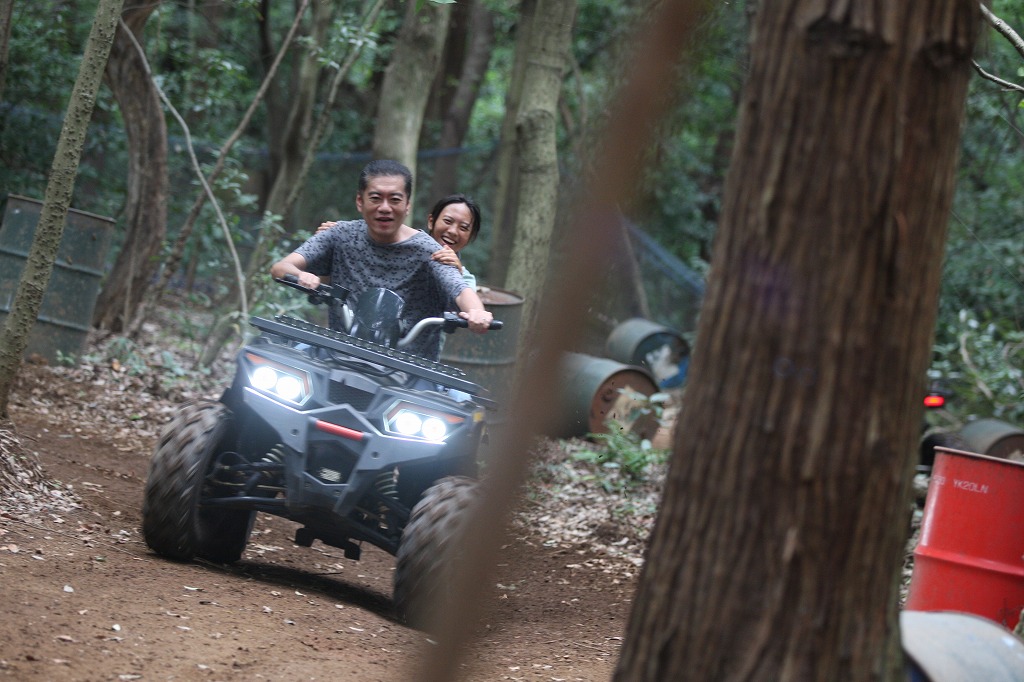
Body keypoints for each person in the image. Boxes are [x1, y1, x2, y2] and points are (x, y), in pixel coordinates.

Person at [270, 159, 493, 362]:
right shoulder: (340, 234)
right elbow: (281, 267)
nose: (385, 208)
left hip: (409, 371)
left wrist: (477, 312)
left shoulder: (431, 251)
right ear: (360, 201)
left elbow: (461, 290)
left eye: (394, 199)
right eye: (376, 198)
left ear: (407, 205)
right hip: (339, 357)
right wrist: (302, 275)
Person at [317, 192, 482, 288]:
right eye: (447, 221)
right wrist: (337, 237)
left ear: (471, 236)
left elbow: (464, 310)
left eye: (463, 228)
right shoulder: (398, 247)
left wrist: (456, 273)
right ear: (431, 221)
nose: (453, 231)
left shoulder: (465, 279)